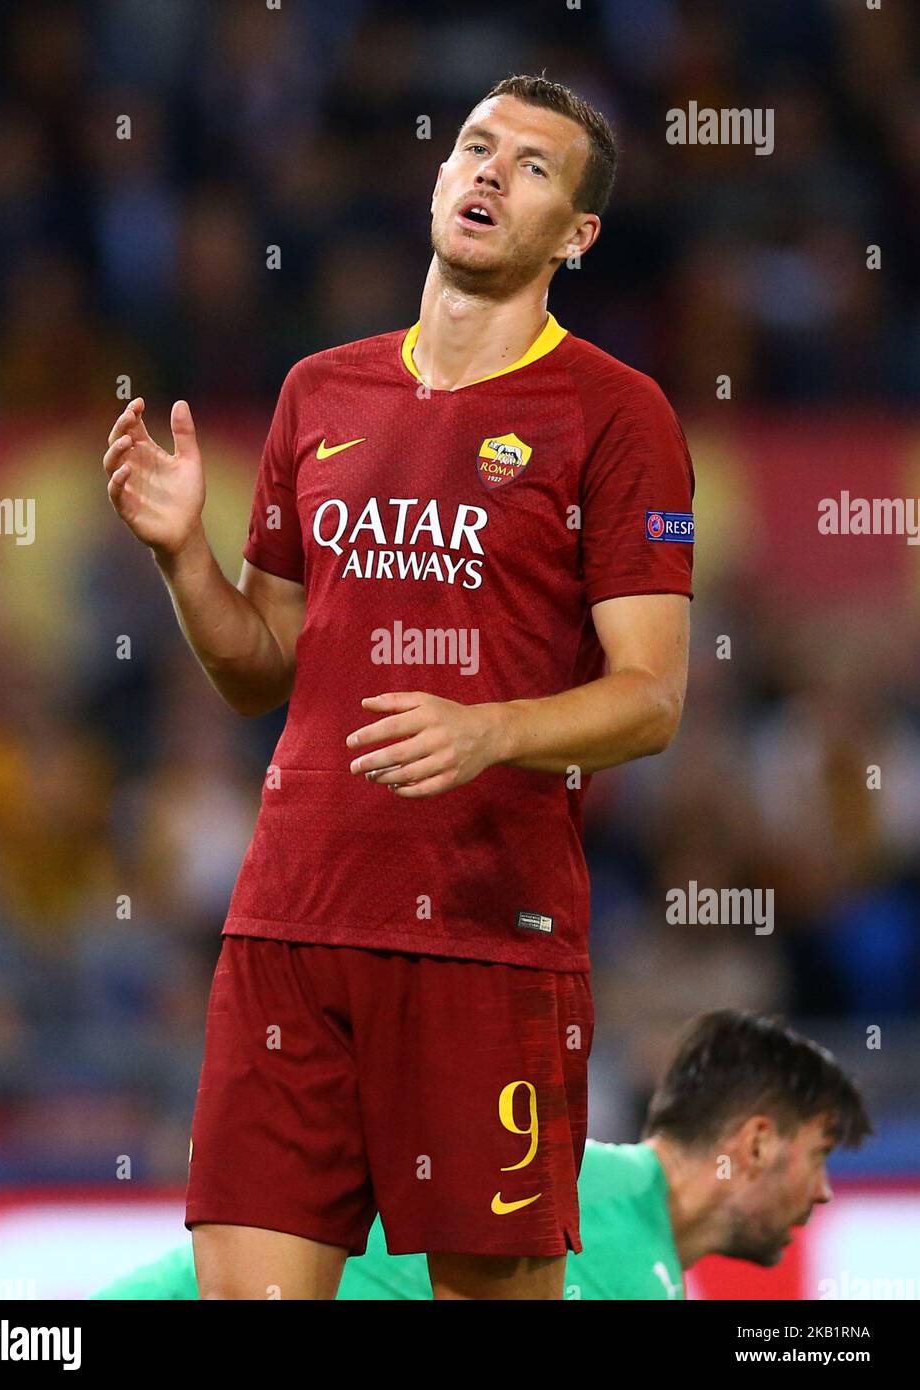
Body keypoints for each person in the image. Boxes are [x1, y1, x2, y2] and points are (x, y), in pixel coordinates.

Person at [102, 73, 695, 1301]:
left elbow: (651, 697)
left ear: (578, 235)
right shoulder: (320, 391)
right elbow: (258, 665)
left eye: (533, 165)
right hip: (288, 926)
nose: (489, 172)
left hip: (488, 939)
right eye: (476, 147)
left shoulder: (617, 414)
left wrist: (491, 731)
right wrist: (182, 556)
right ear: (437, 177)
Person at [91, 1011, 872, 1300]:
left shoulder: (583, 1191)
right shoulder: (593, 1220)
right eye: (821, 1153)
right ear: (758, 1143)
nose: (827, 1192)